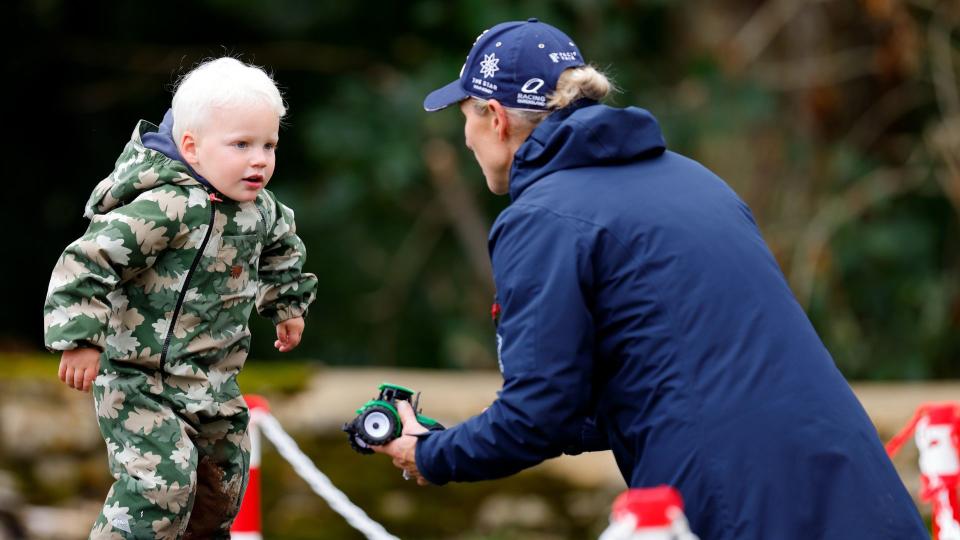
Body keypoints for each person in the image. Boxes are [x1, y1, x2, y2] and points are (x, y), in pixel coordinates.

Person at [374, 18, 928, 539]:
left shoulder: (541, 218)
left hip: (733, 503)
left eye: (466, 117)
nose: (465, 139)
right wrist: (456, 438)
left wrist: (431, 455)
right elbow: (660, 379)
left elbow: (535, 415)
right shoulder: (697, 179)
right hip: (853, 483)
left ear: (495, 118)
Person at [42, 57, 318, 539]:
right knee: (161, 489)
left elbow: (282, 251)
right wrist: (80, 337)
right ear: (192, 147)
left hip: (213, 380)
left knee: (220, 490)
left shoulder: (263, 211)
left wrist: (287, 306)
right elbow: (88, 260)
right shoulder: (166, 205)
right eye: (241, 145)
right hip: (138, 379)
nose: (260, 159)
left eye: (269, 145)